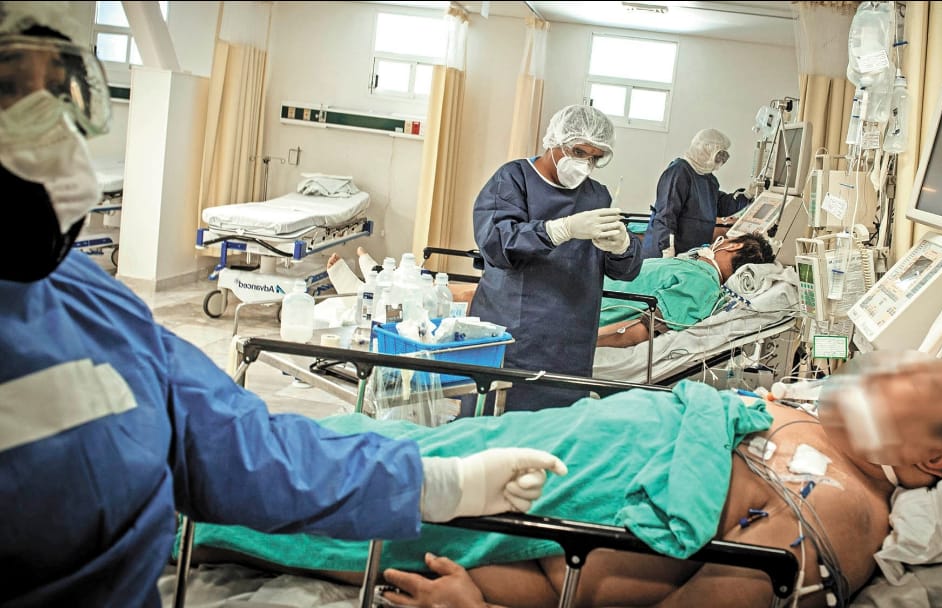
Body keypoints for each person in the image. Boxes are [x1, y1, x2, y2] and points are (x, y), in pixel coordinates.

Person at [0, 5, 567, 606]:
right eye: (12, 88)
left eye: (58, 90)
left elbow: (233, 444)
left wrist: (438, 483)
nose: (52, 133)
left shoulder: (84, 301)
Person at [176, 356, 942, 608]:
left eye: (916, 388)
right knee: (289, 440)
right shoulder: (806, 416)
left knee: (255, 484)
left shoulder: (843, 516)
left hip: (493, 512)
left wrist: (477, 605)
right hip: (493, 446)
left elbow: (643, 590)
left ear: (937, 462)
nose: (889, 374)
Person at [469, 104, 643, 413]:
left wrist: (622, 247)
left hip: (572, 341)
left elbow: (624, 271)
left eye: (594, 158)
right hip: (513, 333)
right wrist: (559, 230)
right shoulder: (513, 179)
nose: (585, 164)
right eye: (578, 152)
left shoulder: (597, 196)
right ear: (555, 141)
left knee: (558, 428)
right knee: (495, 423)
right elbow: (495, 244)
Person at [598, 232, 774, 348]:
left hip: (589, 311)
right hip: (589, 289)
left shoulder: (703, 284)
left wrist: (587, 339)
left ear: (734, 246)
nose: (715, 242)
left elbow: (641, 331)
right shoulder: (693, 267)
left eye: (724, 239)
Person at [641, 129, 753, 259]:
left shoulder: (709, 179)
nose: (720, 161)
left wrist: (746, 195)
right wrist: (666, 249)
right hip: (666, 252)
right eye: (719, 155)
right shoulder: (679, 172)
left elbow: (720, 205)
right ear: (705, 149)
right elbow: (666, 215)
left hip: (690, 253)